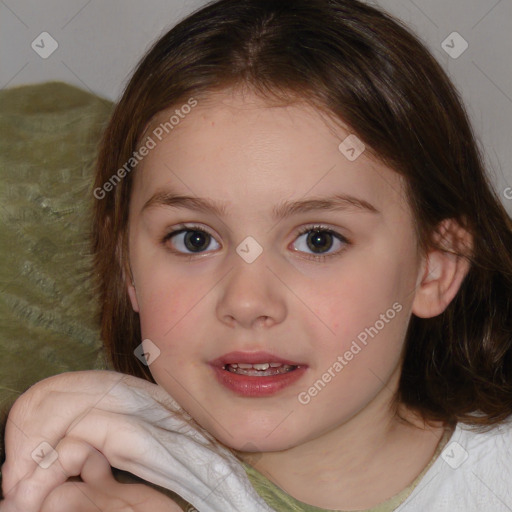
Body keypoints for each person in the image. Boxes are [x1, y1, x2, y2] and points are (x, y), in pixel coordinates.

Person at [2, 0, 512, 510]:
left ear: (435, 269)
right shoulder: (78, 483)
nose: (246, 302)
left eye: (318, 240)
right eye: (194, 239)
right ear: (126, 263)